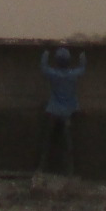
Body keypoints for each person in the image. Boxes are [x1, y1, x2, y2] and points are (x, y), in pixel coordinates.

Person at [37, 45, 85, 175]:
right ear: (68, 61)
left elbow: (43, 67)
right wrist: (82, 55)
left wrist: (46, 52)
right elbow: (82, 68)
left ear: (57, 61)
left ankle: (41, 168)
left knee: (47, 142)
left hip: (53, 111)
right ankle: (70, 171)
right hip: (67, 113)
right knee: (68, 144)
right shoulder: (73, 74)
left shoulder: (53, 74)